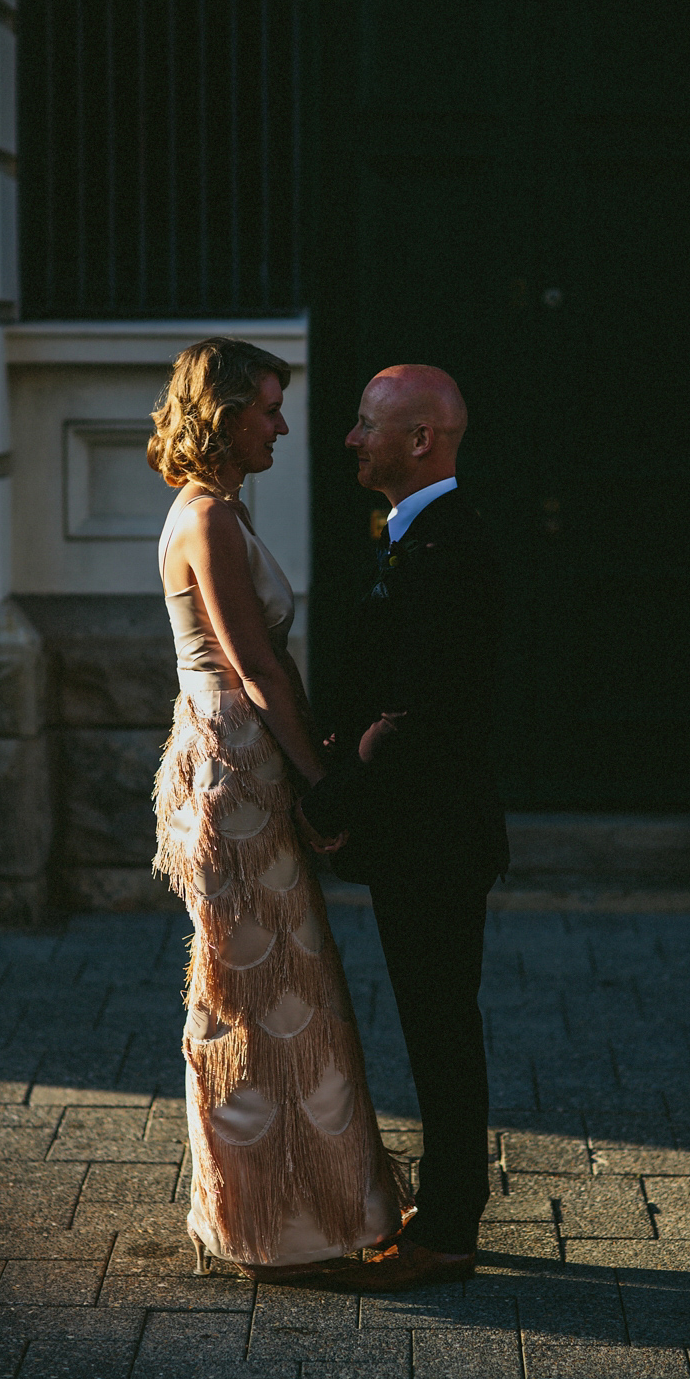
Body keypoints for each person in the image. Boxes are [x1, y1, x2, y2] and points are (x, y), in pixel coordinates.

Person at [149, 337, 406, 1280]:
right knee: (263, 999)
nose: (285, 426)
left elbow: (270, 666)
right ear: (221, 415)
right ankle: (285, 1233)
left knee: (281, 990)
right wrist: (321, 785)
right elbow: (256, 670)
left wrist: (315, 754)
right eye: (268, 408)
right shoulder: (207, 521)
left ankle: (306, 1211)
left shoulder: (222, 511)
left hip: (248, 769)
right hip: (239, 781)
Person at [300, 365, 509, 1291]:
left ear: (420, 440)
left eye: (365, 424)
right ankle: (445, 1209)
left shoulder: (452, 549)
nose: (350, 439)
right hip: (419, 830)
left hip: (437, 835)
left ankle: (449, 1231)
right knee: (434, 1019)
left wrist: (336, 797)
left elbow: (420, 716)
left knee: (439, 1027)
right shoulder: (411, 535)